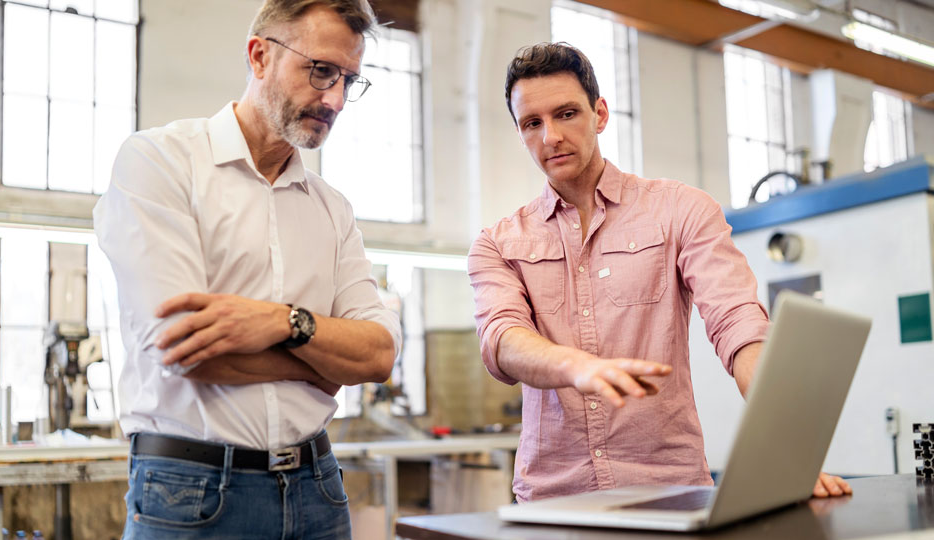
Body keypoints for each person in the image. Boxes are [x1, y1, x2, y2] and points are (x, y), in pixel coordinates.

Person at [467, 42, 851, 504]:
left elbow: (740, 325)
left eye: (566, 114)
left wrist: (792, 452)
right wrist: (579, 367)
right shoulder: (497, 242)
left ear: (600, 114)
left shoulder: (680, 210)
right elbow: (502, 340)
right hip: (553, 501)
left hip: (669, 494)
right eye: (533, 123)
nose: (550, 137)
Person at [93, 1, 401, 538]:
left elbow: (377, 353)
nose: (335, 99)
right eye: (321, 70)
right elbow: (183, 349)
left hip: (318, 488)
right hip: (192, 490)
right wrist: (321, 368)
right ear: (259, 56)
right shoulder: (159, 163)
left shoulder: (331, 207)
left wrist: (285, 323)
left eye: (350, 81)